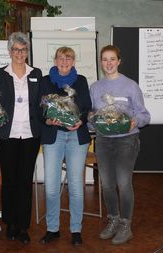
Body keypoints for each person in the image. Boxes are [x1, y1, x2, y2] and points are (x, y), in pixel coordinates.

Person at [89, 45, 150, 244]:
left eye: (112, 59)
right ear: (101, 63)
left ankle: (126, 224)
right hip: (104, 142)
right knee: (107, 185)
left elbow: (144, 115)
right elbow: (91, 117)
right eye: (105, 59)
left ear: (119, 61)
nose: (108, 63)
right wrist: (92, 119)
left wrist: (134, 121)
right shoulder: (95, 87)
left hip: (127, 140)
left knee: (123, 184)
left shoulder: (130, 86)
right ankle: (113, 220)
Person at [0, 32, 42, 244]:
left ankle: (22, 226)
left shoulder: (37, 73)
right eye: (16, 49)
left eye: (23, 50)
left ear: (27, 52)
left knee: (25, 180)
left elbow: (42, 102)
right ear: (10, 52)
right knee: (10, 180)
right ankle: (10, 222)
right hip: (7, 135)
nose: (19, 53)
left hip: (31, 134)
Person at [39, 46, 91, 246]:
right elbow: (39, 107)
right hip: (53, 136)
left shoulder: (81, 81)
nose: (64, 62)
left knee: (76, 186)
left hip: (76, 136)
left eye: (68, 58)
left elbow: (86, 107)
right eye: (61, 58)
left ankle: (76, 229)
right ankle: (53, 229)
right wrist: (48, 120)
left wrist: (81, 120)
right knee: (51, 187)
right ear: (55, 61)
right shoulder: (45, 81)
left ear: (73, 62)